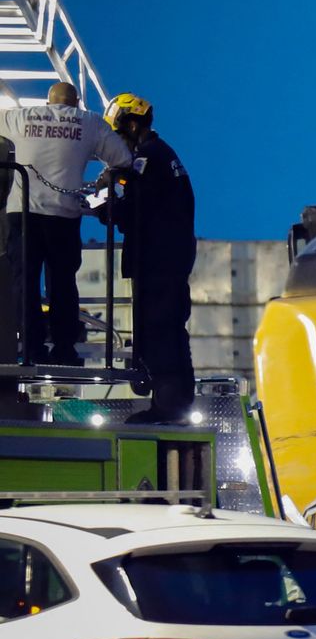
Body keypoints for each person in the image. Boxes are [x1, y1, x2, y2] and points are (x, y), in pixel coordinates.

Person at [0, 81, 131, 365]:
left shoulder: (21, 117)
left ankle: (31, 349)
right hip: (63, 217)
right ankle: (64, 349)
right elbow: (123, 158)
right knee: (63, 285)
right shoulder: (90, 123)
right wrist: (106, 177)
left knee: (25, 285)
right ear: (76, 103)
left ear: (49, 102)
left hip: (23, 215)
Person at [103, 94, 196, 423]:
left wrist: (104, 209)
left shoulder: (147, 157)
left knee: (158, 329)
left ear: (131, 124)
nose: (118, 141)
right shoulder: (162, 154)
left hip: (157, 258)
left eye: (118, 133)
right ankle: (176, 404)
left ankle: (169, 406)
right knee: (171, 328)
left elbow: (137, 209)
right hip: (170, 255)